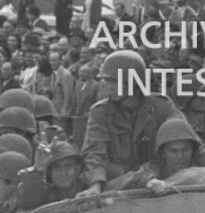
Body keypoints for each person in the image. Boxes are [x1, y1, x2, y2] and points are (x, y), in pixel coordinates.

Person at [78, 49, 182, 192]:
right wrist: (95, 184)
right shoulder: (100, 111)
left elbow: (184, 139)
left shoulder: (161, 106)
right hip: (120, 184)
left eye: (115, 82)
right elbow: (94, 153)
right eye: (107, 81)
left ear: (134, 83)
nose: (108, 87)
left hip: (161, 181)